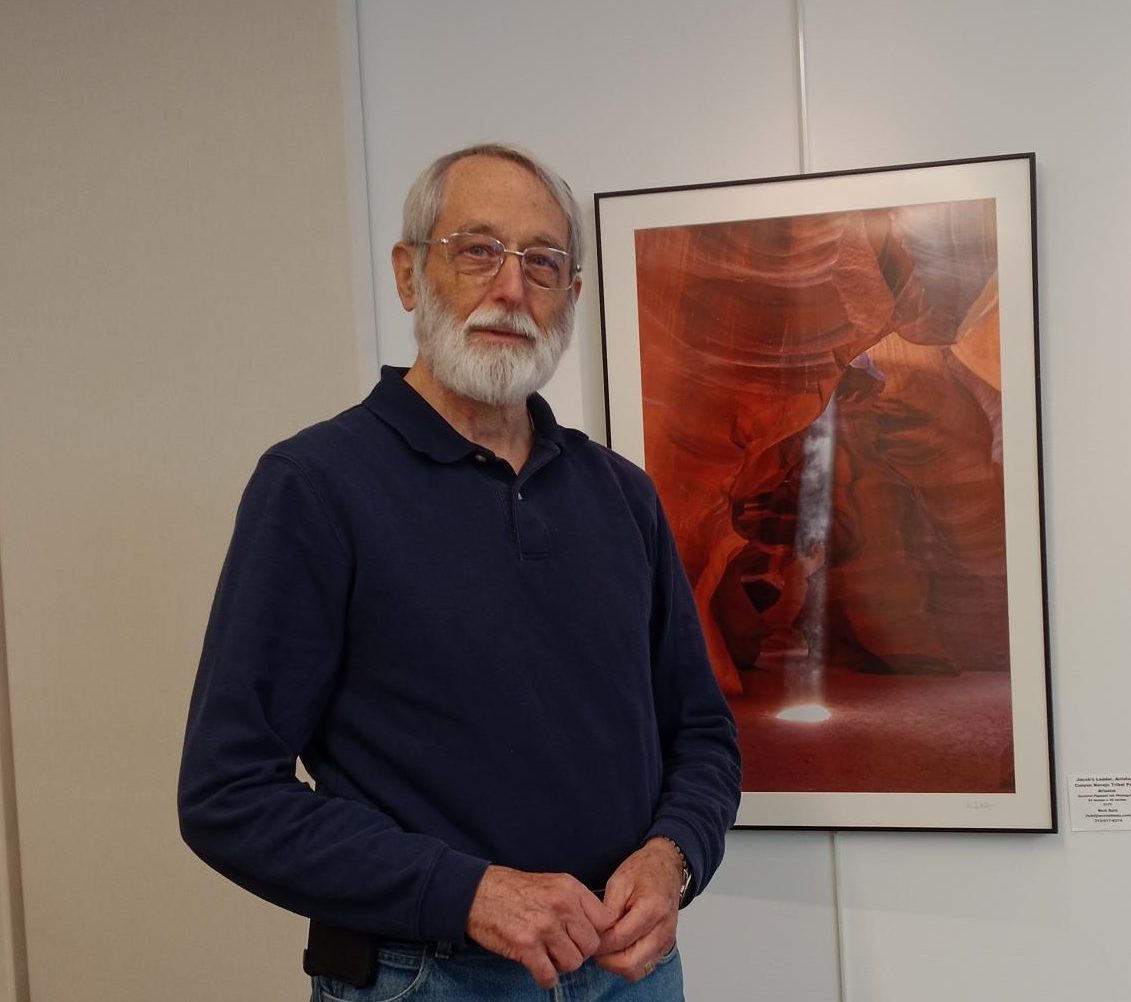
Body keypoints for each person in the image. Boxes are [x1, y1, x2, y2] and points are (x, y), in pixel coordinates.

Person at [178, 142, 741, 1001]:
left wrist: (675, 860)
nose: (511, 290)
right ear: (410, 275)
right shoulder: (317, 487)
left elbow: (702, 737)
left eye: (543, 262)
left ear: (572, 297)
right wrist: (469, 894)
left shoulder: (621, 495)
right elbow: (228, 794)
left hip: (633, 974)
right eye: (477, 251)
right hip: (431, 978)